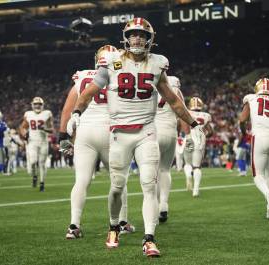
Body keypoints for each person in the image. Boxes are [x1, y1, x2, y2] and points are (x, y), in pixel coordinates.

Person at [67, 17, 203, 257]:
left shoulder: (157, 64)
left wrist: (193, 123)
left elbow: (173, 100)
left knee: (148, 185)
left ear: (150, 39)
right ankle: (113, 226)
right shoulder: (111, 62)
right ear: (126, 38)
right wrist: (76, 113)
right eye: (133, 34)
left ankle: (149, 238)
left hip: (146, 132)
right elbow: (89, 92)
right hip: (119, 133)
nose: (137, 38)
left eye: (142, 34)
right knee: (117, 187)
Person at [59, 45, 135, 239]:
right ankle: (122, 222)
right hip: (110, 131)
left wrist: (63, 137)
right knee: (119, 180)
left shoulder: (83, 76)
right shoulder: (120, 73)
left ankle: (73, 226)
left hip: (85, 132)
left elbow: (68, 109)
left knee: (81, 181)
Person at [239, 78, 269, 220]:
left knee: (258, 175)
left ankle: (268, 194)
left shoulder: (251, 99)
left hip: (259, 137)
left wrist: (244, 133)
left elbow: (242, 120)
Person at [155, 75, 184, 223]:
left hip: (152, 133)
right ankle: (164, 205)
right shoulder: (174, 86)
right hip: (170, 131)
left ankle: (153, 207)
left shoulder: (146, 82)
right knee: (165, 170)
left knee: (151, 172)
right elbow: (181, 111)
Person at [19, 97, 54, 191]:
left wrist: (45, 129)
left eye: (39, 104)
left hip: (43, 142)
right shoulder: (28, 114)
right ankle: (35, 176)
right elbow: (22, 127)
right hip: (32, 142)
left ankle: (42, 183)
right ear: (32, 105)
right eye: (35, 104)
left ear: (42, 105)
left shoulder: (47, 113)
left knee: (42, 164)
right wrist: (24, 134)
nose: (37, 106)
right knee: (33, 162)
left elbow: (51, 130)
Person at [183, 97, 213, 197]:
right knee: (197, 167)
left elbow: (182, 125)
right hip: (200, 140)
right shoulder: (206, 115)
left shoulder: (186, 112)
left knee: (187, 163)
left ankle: (188, 175)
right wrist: (204, 137)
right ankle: (195, 190)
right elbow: (211, 132)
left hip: (189, 138)